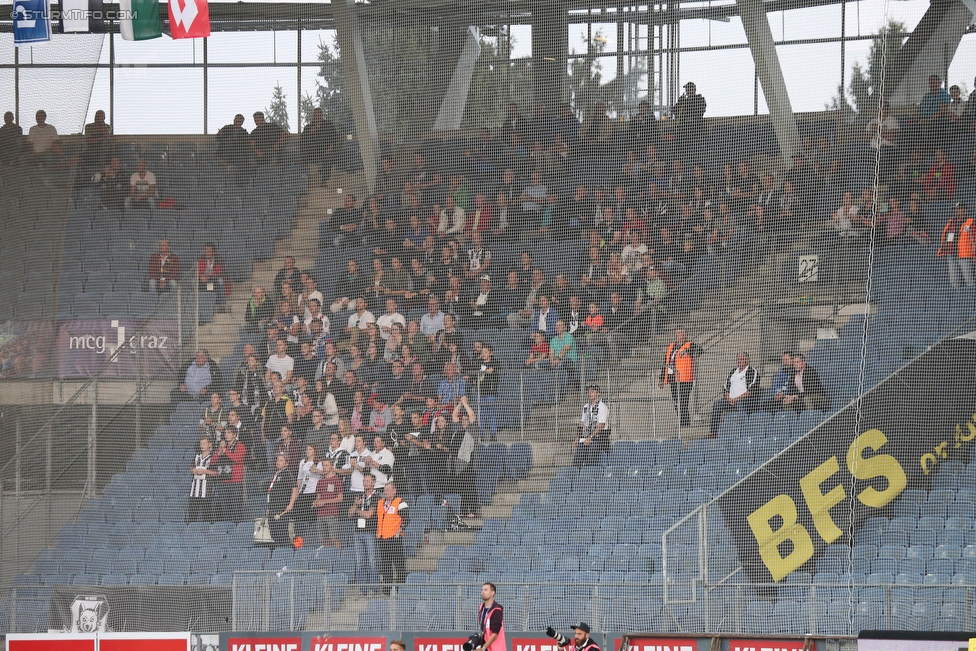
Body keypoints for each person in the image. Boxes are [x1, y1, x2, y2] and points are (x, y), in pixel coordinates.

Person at [708, 352, 761, 436]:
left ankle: (743, 431)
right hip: (731, 400)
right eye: (739, 359)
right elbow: (725, 387)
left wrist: (736, 399)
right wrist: (729, 398)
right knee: (717, 404)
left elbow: (752, 390)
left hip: (747, 400)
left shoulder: (752, 371)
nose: (740, 361)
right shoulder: (733, 372)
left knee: (740, 404)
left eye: (742, 359)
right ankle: (713, 432)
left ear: (748, 360)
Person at [658, 327, 699, 427]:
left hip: (685, 379)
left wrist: (688, 351)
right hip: (673, 379)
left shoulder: (689, 344)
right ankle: (682, 424)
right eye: (676, 333)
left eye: (680, 333)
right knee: (676, 403)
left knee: (683, 403)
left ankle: (685, 425)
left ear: (685, 335)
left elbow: (699, 350)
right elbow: (666, 363)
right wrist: (662, 378)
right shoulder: (671, 346)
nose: (677, 335)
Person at [347, 473, 380, 591]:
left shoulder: (376, 497)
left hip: (370, 532)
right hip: (357, 532)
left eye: (367, 481)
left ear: (373, 483)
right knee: (360, 561)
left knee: (372, 560)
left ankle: (373, 588)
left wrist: (357, 510)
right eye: (364, 481)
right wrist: (355, 506)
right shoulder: (359, 497)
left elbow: (369, 514)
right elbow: (349, 514)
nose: (365, 483)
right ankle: (363, 589)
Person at [376, 481, 409, 591]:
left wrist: (400, 530)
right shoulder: (380, 502)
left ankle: (401, 589)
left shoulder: (400, 502)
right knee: (386, 565)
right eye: (385, 490)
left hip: (395, 539)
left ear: (394, 491)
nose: (386, 492)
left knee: (398, 564)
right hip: (382, 538)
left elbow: (407, 519)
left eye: (389, 490)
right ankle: (387, 589)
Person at [211, 426, 247, 522]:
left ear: (234, 435)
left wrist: (225, 451)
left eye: (229, 433)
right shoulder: (223, 446)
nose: (226, 435)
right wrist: (219, 452)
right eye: (226, 433)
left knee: (236, 508)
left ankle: (237, 528)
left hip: (235, 481)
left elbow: (237, 459)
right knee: (225, 509)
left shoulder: (240, 446)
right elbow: (212, 461)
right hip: (223, 481)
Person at [937, 202, 974, 287]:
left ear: (965, 211)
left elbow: (973, 239)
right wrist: (942, 249)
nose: (958, 212)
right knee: (954, 280)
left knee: (969, 279)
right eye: (957, 210)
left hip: (964, 255)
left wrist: (973, 254)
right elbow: (945, 235)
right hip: (951, 254)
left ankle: (970, 298)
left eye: (960, 209)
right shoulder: (951, 222)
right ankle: (956, 297)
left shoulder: (969, 222)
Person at [266, 453, 299, 548]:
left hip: (281, 509)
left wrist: (291, 504)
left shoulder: (287, 474)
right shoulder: (276, 474)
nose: (278, 462)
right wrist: (269, 508)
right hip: (273, 509)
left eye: (281, 460)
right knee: (274, 533)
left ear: (286, 463)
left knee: (282, 533)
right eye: (277, 460)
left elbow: (295, 489)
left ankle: (288, 551)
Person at [574, 384, 610, 467]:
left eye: (592, 392)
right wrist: (577, 437)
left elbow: (601, 425)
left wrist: (590, 437)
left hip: (599, 438)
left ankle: (589, 472)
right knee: (577, 456)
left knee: (591, 453)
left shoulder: (602, 407)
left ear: (598, 394)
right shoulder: (586, 407)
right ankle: (576, 473)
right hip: (586, 436)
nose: (589, 394)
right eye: (589, 392)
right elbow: (581, 423)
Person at [313, 457, 344, 550]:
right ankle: (328, 557)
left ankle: (339, 557)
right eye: (323, 465)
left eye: (326, 465)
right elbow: (318, 497)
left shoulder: (336, 480)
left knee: (334, 538)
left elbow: (340, 498)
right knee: (324, 540)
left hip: (332, 513)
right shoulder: (320, 481)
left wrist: (325, 501)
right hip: (320, 514)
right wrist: (316, 503)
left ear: (332, 466)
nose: (324, 467)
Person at [673, 82, 706, 160]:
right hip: (684, 130)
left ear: (694, 89)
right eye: (687, 89)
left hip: (696, 128)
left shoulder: (699, 99)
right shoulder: (683, 101)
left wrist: (692, 118)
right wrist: (680, 101)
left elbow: (701, 110)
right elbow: (674, 110)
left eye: (690, 88)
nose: (688, 90)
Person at [188, 436, 216, 523]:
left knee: (206, 513)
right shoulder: (197, 457)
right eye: (201, 444)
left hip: (206, 490)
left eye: (204, 443)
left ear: (209, 444)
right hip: (194, 490)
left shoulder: (213, 457)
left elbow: (216, 472)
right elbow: (190, 469)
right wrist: (194, 471)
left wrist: (205, 471)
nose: (202, 445)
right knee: (192, 513)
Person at [197, 242, 229, 312]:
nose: (207, 253)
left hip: (213, 281)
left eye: (209, 251)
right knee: (193, 281)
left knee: (220, 281)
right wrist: (200, 277)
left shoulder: (219, 259)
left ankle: (222, 305)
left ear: (214, 252)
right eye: (206, 251)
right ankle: (196, 304)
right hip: (203, 281)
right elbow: (197, 271)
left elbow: (222, 273)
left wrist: (209, 278)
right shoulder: (201, 258)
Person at [474, 582, 505, 651]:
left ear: (492, 593)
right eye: (482, 590)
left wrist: (483, 648)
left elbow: (495, 634)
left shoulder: (497, 610)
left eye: (486, 590)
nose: (482, 592)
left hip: (495, 648)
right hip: (486, 647)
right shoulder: (481, 607)